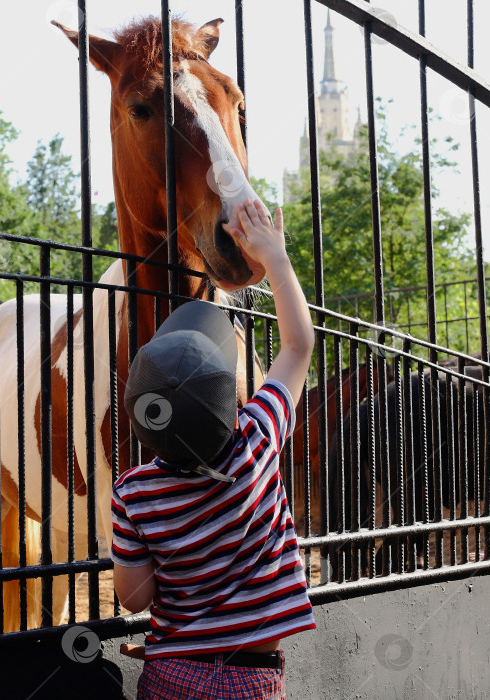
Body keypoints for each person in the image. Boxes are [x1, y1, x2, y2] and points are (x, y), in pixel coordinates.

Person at [111, 199, 316, 699]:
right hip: (252, 677)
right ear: (229, 396)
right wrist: (276, 260)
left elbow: (134, 598)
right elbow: (297, 346)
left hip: (171, 676)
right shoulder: (258, 438)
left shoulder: (134, 493)